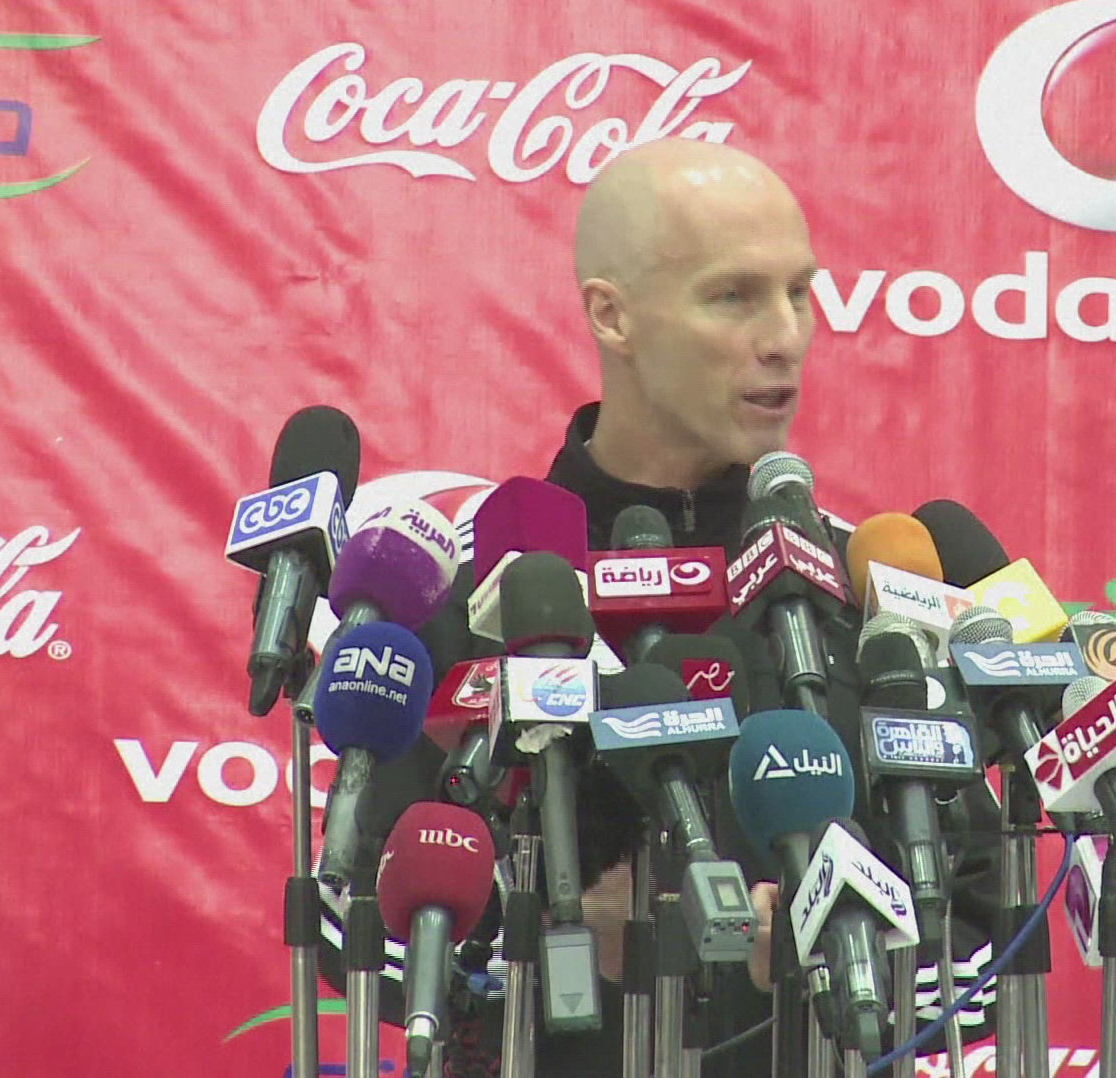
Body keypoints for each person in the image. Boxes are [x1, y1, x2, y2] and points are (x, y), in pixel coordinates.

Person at [320, 138, 1003, 1077]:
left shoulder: (868, 593)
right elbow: (352, 926)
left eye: (800, 292)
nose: (786, 336)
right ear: (614, 315)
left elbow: (985, 946)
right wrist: (542, 928)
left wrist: (838, 957)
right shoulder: (470, 592)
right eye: (734, 296)